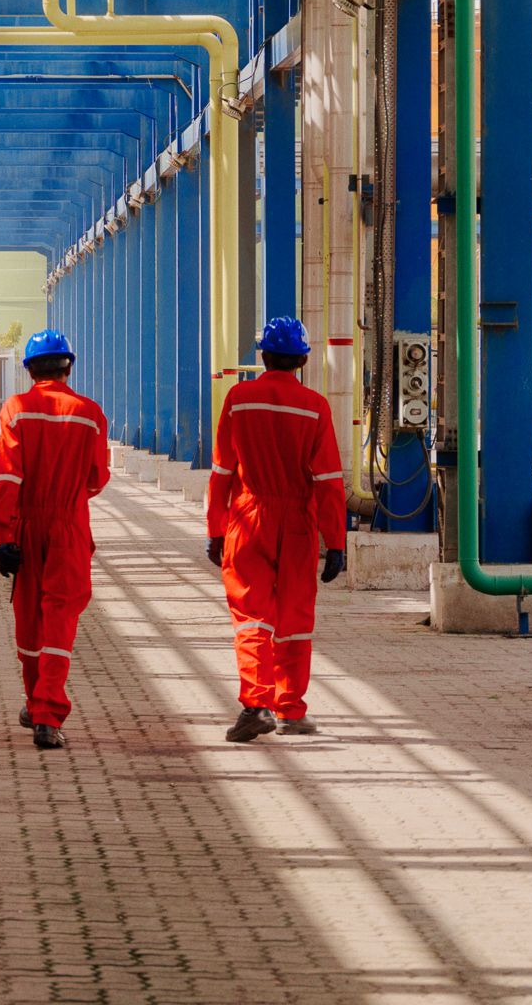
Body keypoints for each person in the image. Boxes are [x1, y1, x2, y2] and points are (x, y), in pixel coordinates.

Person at [206, 315, 349, 743]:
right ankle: (290, 709)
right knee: (295, 618)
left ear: (264, 356)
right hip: (299, 525)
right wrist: (336, 543)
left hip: (249, 517)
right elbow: (328, 481)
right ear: (303, 360)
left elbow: (221, 471)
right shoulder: (315, 407)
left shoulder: (239, 398)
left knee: (252, 617)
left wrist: (215, 529)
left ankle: (255, 705)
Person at [0, 328, 111, 751]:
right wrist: (71, 494)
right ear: (68, 366)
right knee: (59, 621)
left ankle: (34, 700)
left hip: (26, 525)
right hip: (69, 527)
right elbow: (97, 479)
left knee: (29, 622)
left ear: (28, 369)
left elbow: (8, 476)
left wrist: (5, 533)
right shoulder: (91, 414)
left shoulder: (16, 409)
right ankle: (46, 714)